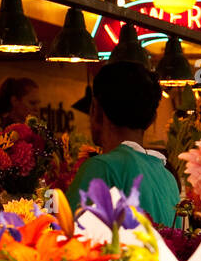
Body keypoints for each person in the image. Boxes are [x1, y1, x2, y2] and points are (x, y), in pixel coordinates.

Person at [65, 61, 179, 226]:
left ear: (95, 109)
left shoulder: (101, 167)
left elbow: (67, 239)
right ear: (151, 120)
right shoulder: (168, 178)